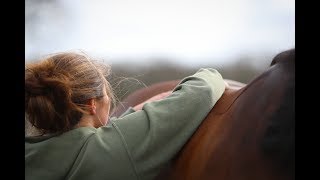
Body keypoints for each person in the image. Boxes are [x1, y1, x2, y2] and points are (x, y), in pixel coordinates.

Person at [25, 51, 226, 180]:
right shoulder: (110, 151)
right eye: (105, 94)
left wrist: (133, 115)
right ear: (91, 105)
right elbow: (204, 88)